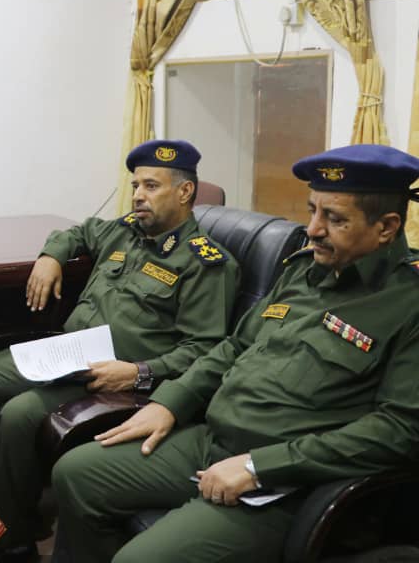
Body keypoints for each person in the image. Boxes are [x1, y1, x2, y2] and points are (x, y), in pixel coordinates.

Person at [52, 144, 419, 563]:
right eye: (312, 211)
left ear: (386, 227)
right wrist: (171, 402)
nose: (313, 229)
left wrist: (260, 467)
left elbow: (399, 430)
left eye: (334, 219)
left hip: (288, 482)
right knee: (75, 474)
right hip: (213, 439)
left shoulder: (408, 302)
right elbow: (236, 345)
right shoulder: (305, 269)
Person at [0, 139, 240, 563]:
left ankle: (11, 535)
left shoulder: (205, 263)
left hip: (116, 377)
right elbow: (76, 233)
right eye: (136, 185)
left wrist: (139, 371)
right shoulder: (125, 230)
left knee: (20, 414)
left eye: (151, 186)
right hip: (65, 353)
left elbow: (205, 349)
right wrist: (50, 257)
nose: (138, 195)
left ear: (185, 192)